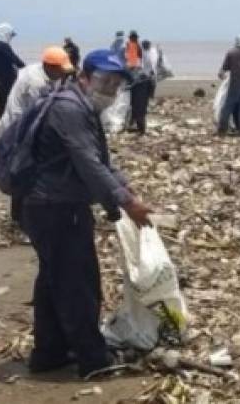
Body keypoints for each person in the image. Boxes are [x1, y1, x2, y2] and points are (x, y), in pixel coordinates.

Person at [22, 48, 154, 377]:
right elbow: (89, 163)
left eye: (114, 85)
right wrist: (126, 204)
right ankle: (93, 360)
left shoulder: (80, 106)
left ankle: (49, 353)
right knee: (78, 285)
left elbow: (101, 161)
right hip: (55, 207)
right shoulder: (70, 108)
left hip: (50, 205)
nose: (108, 91)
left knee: (54, 281)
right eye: (103, 82)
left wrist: (125, 188)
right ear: (83, 77)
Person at [0, 46, 75, 223]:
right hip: (20, 129)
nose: (63, 75)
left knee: (28, 171)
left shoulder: (46, 74)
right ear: (50, 67)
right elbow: (38, 113)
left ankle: (25, 215)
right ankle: (21, 218)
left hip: (27, 125)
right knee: (22, 170)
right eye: (61, 70)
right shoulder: (37, 83)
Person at [0, 22, 25, 118]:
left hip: (0, 80)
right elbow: (15, 60)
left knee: (2, 105)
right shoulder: (3, 46)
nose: (11, 37)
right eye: (11, 35)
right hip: (8, 81)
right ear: (6, 33)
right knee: (10, 104)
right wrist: (27, 69)